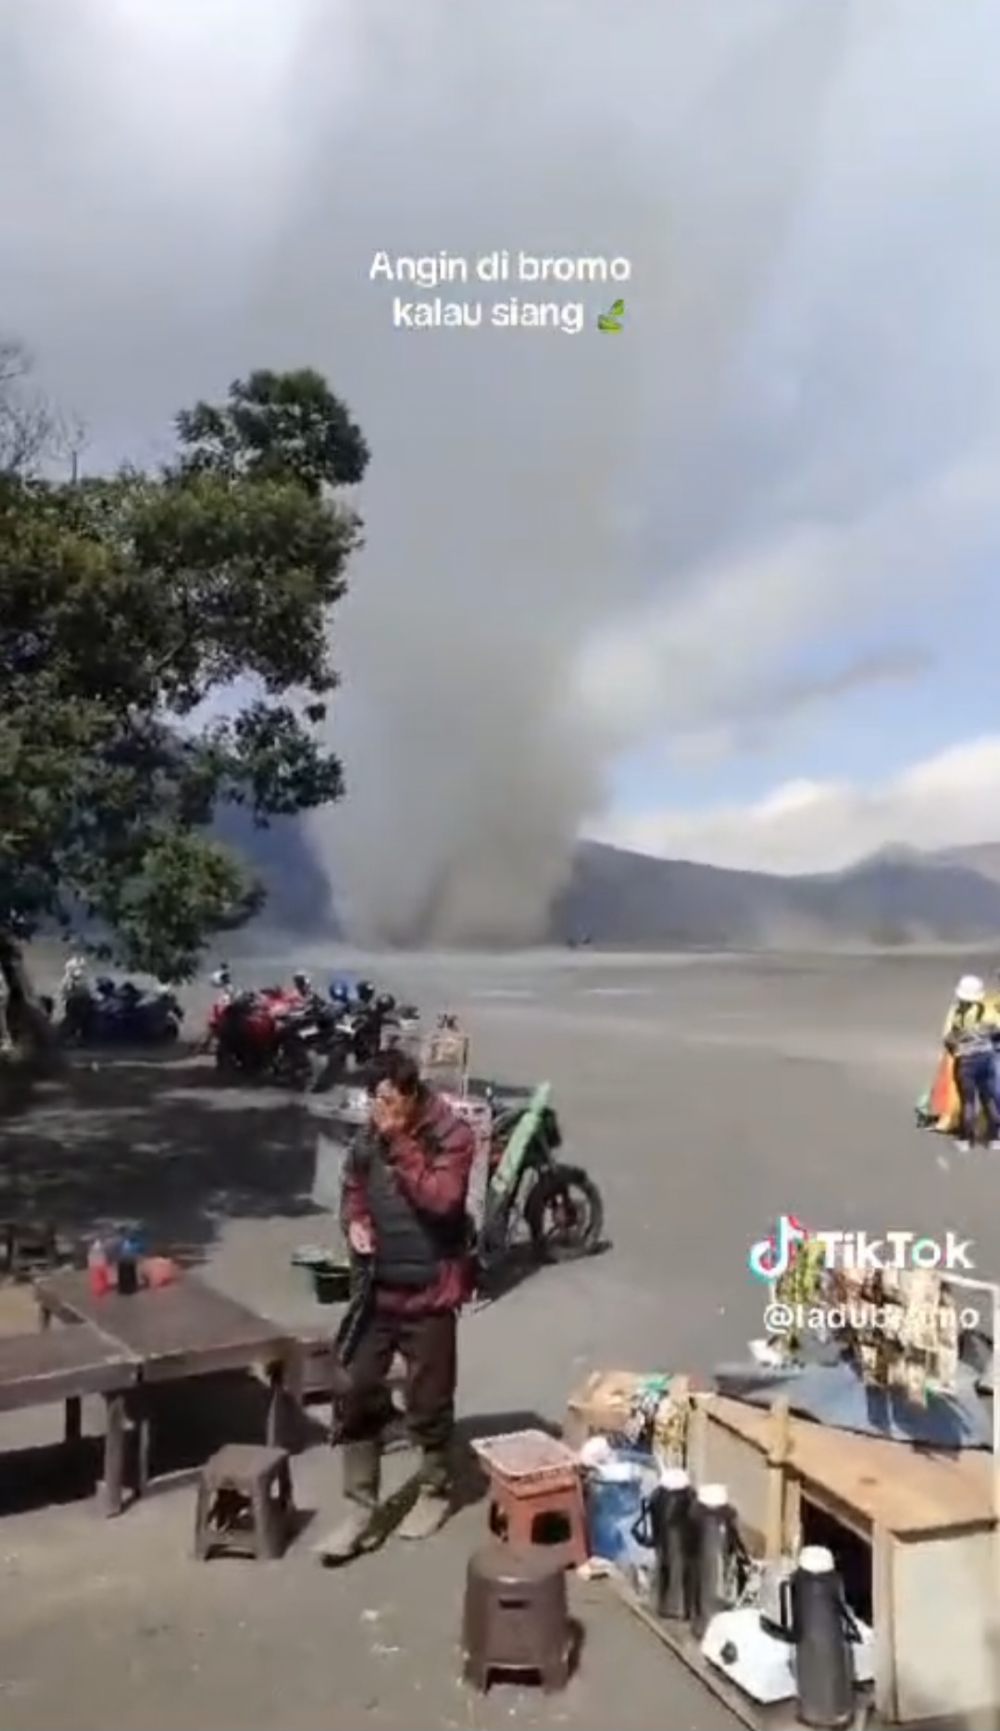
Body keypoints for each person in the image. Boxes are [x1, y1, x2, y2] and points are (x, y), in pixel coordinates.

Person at [316, 1046, 476, 1563]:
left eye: (386, 1100)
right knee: (354, 1386)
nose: (376, 1110)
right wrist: (355, 1221)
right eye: (373, 1100)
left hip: (432, 1289)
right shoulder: (371, 1134)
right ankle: (361, 1507)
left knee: (429, 1400)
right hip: (377, 1289)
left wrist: (400, 1141)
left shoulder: (451, 1135)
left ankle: (433, 1490)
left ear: (410, 1096)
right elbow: (353, 1185)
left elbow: (442, 1199)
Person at [943, 975, 1000, 1152]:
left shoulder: (956, 1013)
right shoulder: (988, 1011)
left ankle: (966, 1139)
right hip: (986, 1058)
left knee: (967, 1101)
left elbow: (947, 1037)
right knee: (989, 1098)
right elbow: (997, 1031)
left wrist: (957, 1050)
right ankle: (995, 1137)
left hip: (966, 1060)